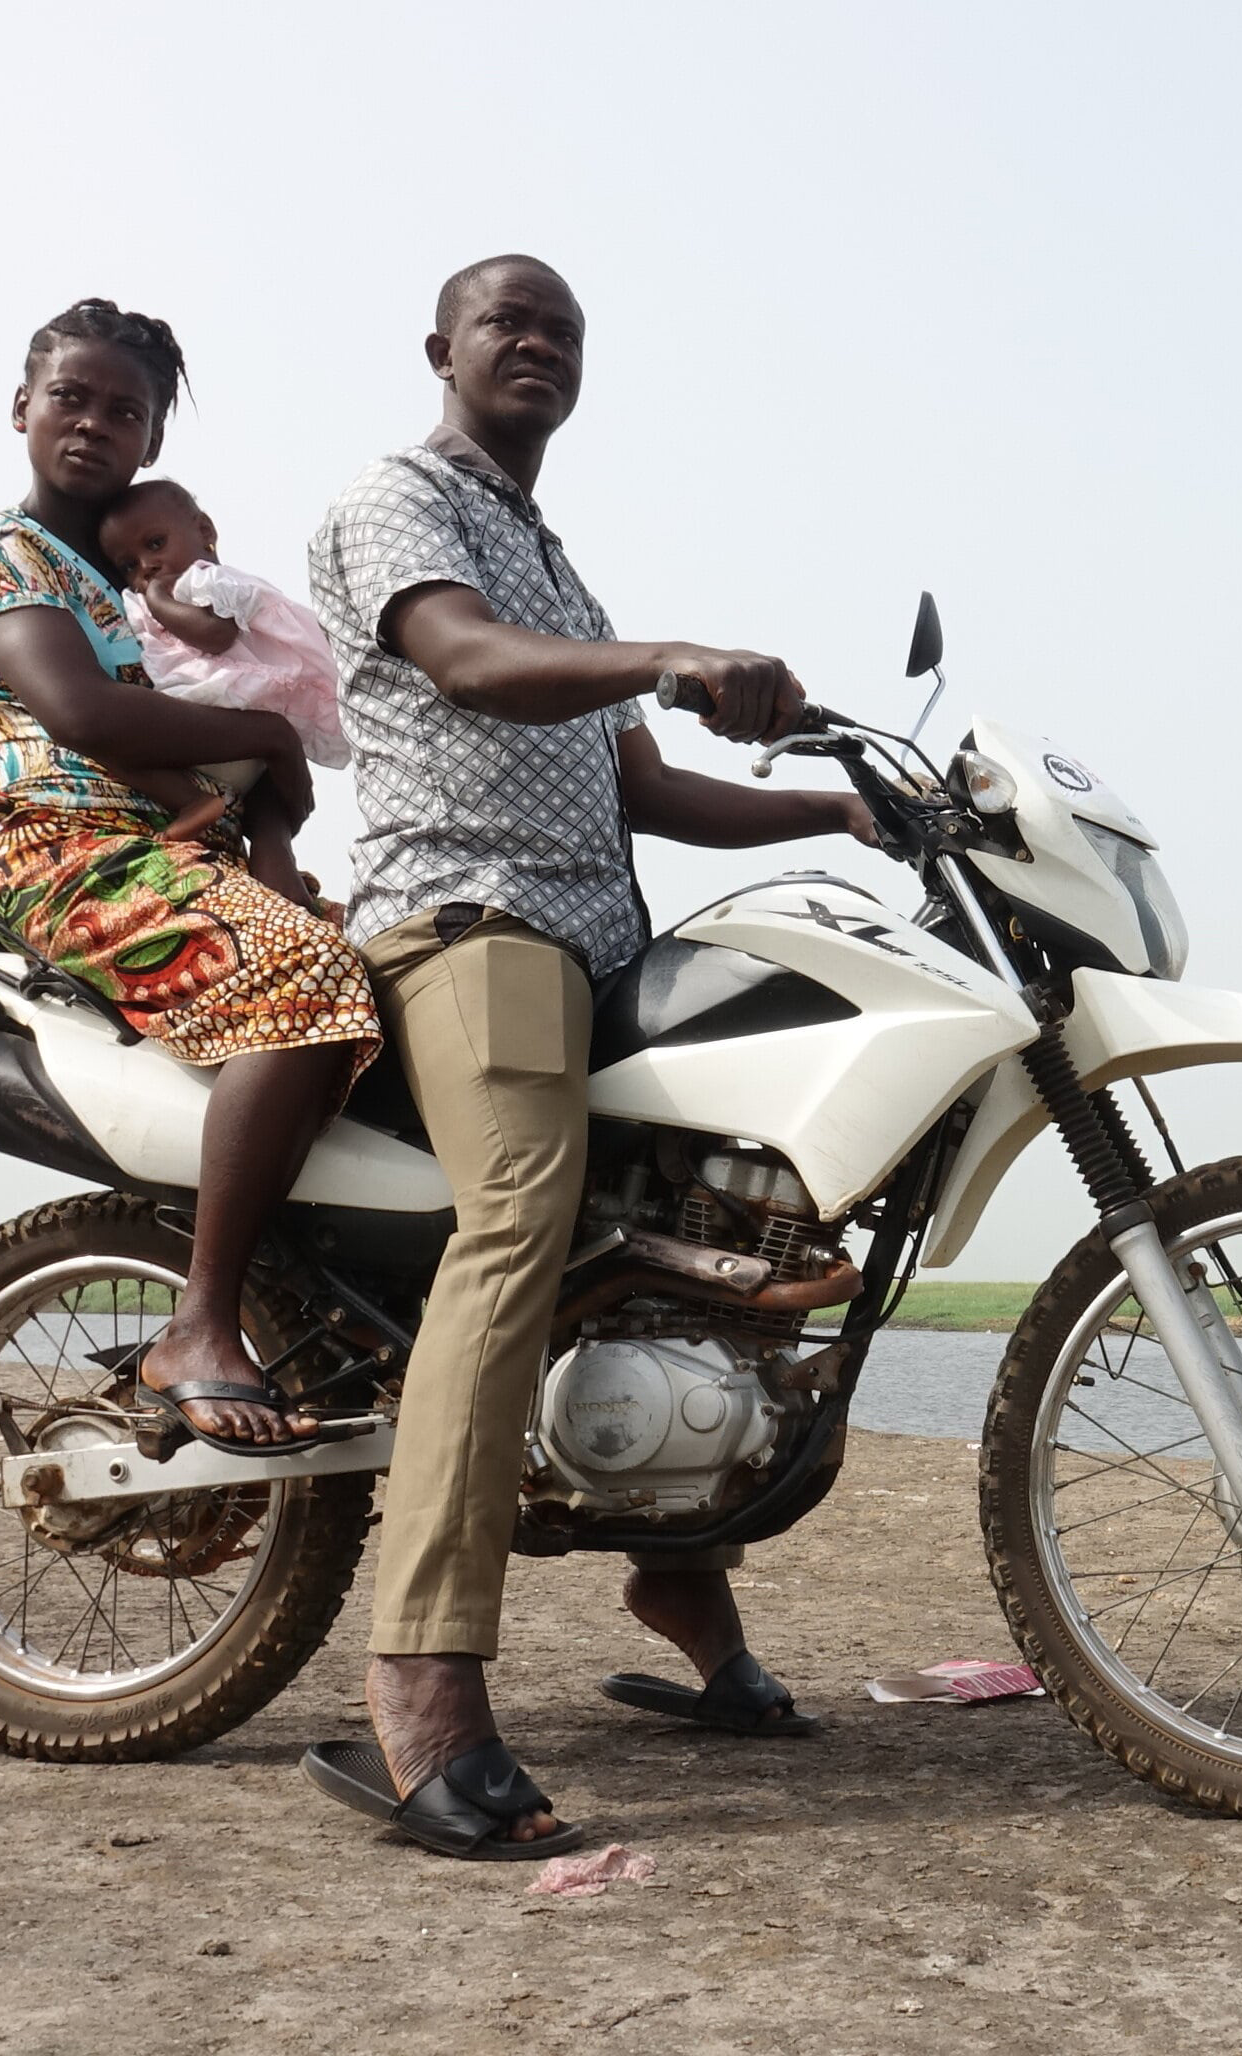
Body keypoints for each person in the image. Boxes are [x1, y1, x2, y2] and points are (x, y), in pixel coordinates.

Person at [301, 253, 875, 1860]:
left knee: (706, 1235)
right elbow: (468, 663)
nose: (537, 345)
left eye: (561, 329)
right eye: (510, 323)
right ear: (444, 349)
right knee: (522, 1223)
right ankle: (419, 1682)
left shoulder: (562, 568)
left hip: (599, 944)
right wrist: (676, 659)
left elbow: (647, 793)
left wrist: (848, 810)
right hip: (473, 923)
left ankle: (683, 1582)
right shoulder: (396, 499)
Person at [0, 298, 379, 1455]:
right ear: (22, 407)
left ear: (151, 442)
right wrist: (270, 743)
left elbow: (257, 756)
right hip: (70, 853)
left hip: (194, 853)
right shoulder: (4, 552)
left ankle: (342, 1312)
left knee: (409, 980)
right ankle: (198, 1318)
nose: (92, 423)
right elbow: (81, 713)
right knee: (304, 978)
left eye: (122, 409)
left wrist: (276, 794)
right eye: (71, 398)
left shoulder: (148, 585)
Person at [91, 478, 351, 903]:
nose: (146, 568)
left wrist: (158, 600)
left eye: (155, 544)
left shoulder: (202, 582)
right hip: (245, 744)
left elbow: (214, 634)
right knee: (268, 825)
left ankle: (192, 802)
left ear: (206, 533)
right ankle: (288, 891)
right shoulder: (146, 595)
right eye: (128, 565)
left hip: (212, 711)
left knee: (113, 738)